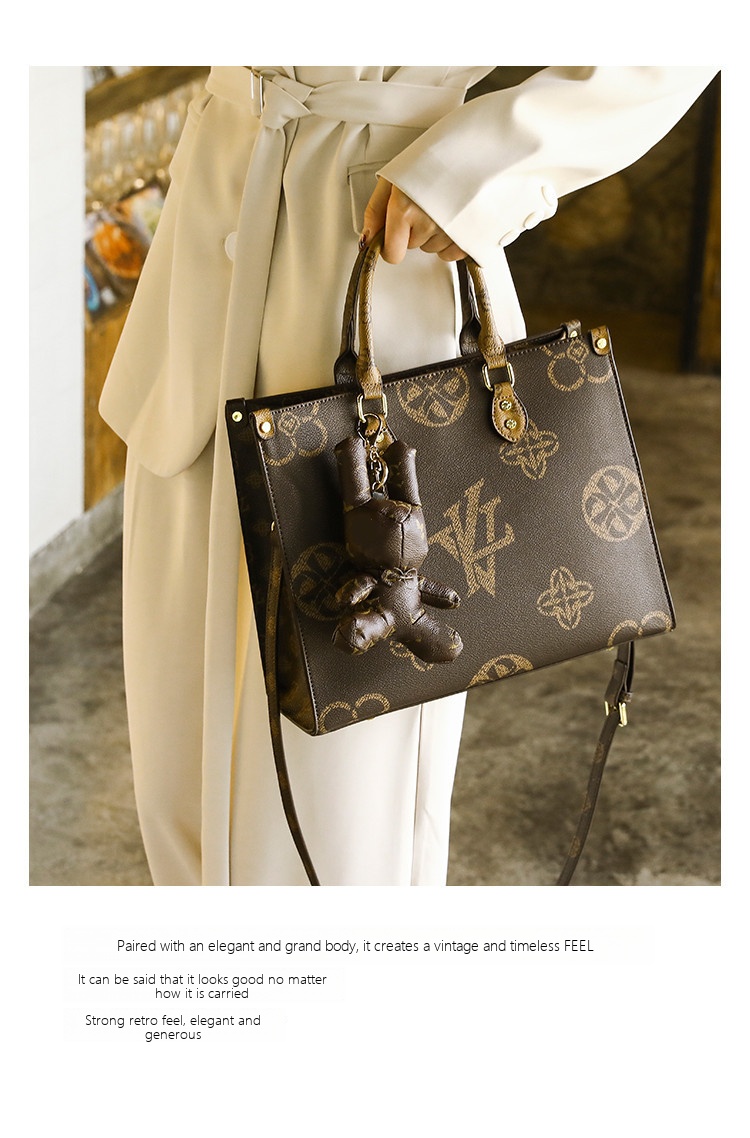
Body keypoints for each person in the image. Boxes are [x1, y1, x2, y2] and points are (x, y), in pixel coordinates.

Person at [99, 66, 716, 886]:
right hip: (209, 238)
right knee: (179, 743)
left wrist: (484, 168)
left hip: (383, 237)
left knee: (339, 797)